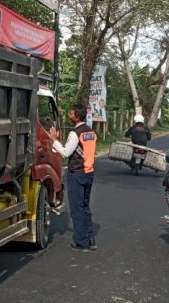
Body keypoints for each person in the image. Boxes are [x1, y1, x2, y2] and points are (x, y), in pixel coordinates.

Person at [49, 104, 97, 252]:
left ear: (76, 116)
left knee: (76, 209)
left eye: (70, 113)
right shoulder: (90, 132)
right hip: (89, 172)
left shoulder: (75, 133)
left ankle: (81, 243)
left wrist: (54, 140)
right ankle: (89, 239)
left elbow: (65, 153)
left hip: (77, 173)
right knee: (85, 206)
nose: (69, 116)